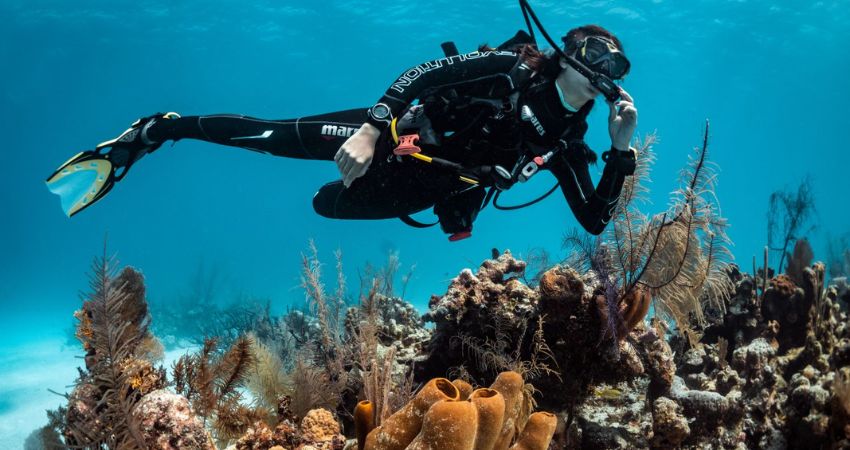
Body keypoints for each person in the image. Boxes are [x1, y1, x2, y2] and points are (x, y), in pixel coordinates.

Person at [46, 24, 637, 240]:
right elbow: (421, 74)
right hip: (396, 134)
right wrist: (373, 129)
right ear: (564, 52)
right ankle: (161, 130)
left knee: (324, 205)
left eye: (614, 63)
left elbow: (594, 219)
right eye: (592, 49)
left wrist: (620, 152)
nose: (601, 64)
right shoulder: (511, 70)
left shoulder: (564, 145)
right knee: (275, 137)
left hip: (429, 185)